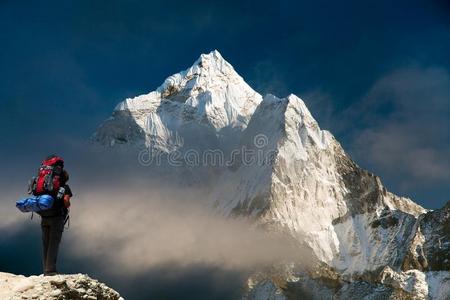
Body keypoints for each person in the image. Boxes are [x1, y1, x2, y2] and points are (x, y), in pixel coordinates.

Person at [37, 155, 73, 276]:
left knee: (45, 244)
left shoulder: (47, 187)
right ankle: (50, 270)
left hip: (44, 217)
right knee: (53, 244)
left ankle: (46, 270)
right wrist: (67, 203)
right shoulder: (65, 187)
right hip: (57, 218)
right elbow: (66, 202)